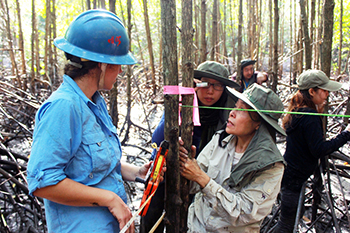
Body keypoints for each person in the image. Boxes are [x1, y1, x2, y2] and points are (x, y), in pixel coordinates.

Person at [27, 10, 165, 233]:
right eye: (116, 64)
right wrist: (110, 199)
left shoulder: (95, 103)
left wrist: (138, 172)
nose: (120, 70)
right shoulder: (64, 107)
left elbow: (94, 164)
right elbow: (43, 183)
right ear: (100, 65)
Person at [140, 61, 240, 233]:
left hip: (200, 179)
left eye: (217, 86)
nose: (210, 91)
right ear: (195, 84)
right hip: (165, 171)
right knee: (152, 214)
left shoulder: (229, 111)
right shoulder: (181, 102)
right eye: (205, 84)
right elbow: (157, 139)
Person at [179, 83, 286, 232]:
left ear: (258, 123)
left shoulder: (270, 166)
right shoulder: (220, 140)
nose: (232, 113)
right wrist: (185, 165)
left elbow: (243, 212)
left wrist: (201, 178)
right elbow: (192, 186)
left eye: (242, 110)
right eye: (235, 106)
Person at [273, 69, 350, 233]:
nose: (327, 95)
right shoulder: (309, 116)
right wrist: (345, 135)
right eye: (324, 90)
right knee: (285, 226)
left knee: (289, 221)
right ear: (311, 91)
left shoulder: (298, 111)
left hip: (290, 178)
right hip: (293, 181)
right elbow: (319, 149)